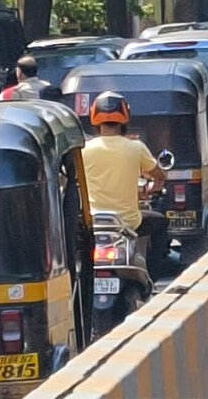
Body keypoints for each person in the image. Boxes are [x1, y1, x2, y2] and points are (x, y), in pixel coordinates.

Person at [82, 91, 177, 278]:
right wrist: (154, 185)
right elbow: (159, 175)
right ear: (125, 117)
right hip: (128, 222)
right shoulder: (136, 147)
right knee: (160, 223)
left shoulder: (84, 149)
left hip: (92, 221)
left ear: (94, 117)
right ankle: (152, 276)